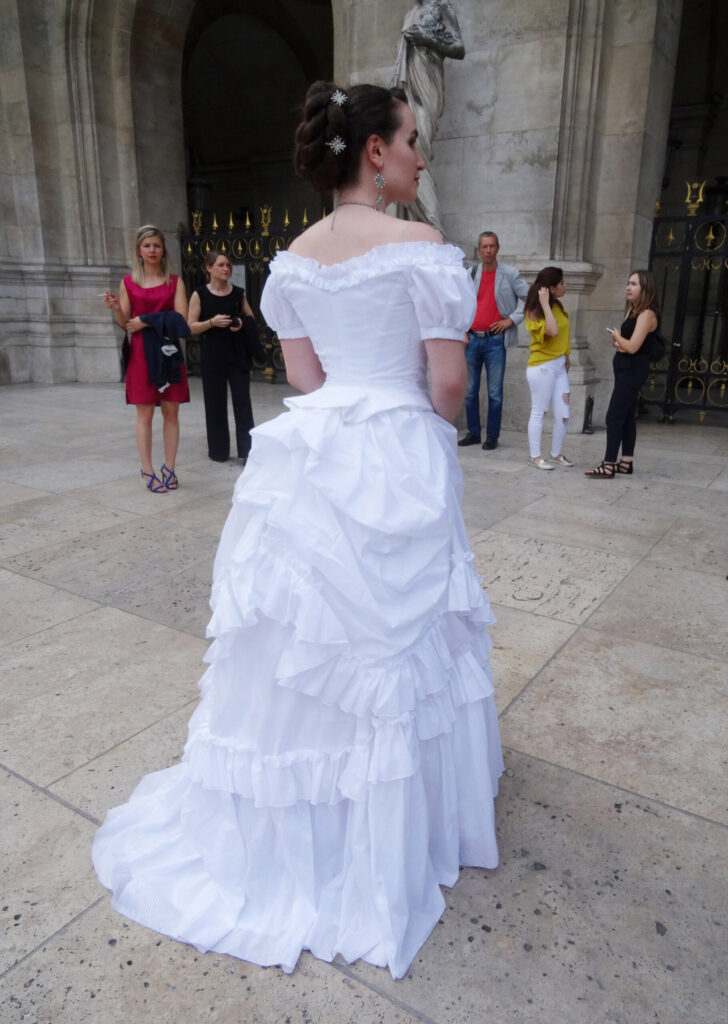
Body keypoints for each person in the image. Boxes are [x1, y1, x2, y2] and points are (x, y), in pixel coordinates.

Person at [93, 80, 503, 981]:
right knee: (392, 642)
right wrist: (426, 439)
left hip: (319, 444)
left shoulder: (295, 261)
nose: (421, 156)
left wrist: (354, 418)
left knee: (305, 638)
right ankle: (386, 826)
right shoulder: (422, 247)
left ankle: (296, 828)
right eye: (411, 140)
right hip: (396, 436)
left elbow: (309, 379)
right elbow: (444, 386)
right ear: (376, 152)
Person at [104, 225, 189, 492]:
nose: (152, 250)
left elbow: (181, 321)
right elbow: (125, 324)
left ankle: (170, 468)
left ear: (163, 251)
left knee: (171, 411)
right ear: (139, 251)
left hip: (168, 352)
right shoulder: (128, 282)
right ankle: (148, 470)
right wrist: (118, 309)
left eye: (156, 245)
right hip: (141, 354)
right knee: (144, 415)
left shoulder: (174, 281)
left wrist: (146, 320)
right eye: (147, 245)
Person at [391, 0, 465, 235]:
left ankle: (435, 230)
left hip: (428, 84)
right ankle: (411, 226)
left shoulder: (442, 6)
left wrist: (427, 39)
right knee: (410, 152)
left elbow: (459, 47)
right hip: (409, 89)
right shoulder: (410, 12)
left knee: (417, 154)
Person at [585, 270, 661, 478]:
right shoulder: (633, 311)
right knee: (626, 415)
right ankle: (626, 462)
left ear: (645, 288)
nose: (628, 287)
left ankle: (608, 464)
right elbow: (626, 344)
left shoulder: (647, 314)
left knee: (614, 415)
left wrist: (619, 338)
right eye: (628, 283)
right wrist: (619, 341)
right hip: (624, 368)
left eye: (634, 284)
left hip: (633, 370)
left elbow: (634, 347)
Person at [188, 250, 261, 463]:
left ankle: (247, 452)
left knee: (243, 404)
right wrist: (212, 322)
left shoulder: (238, 293)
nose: (226, 269)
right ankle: (218, 451)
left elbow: (250, 319)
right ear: (209, 268)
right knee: (215, 404)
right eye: (220, 265)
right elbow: (190, 326)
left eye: (228, 265)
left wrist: (239, 323)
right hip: (213, 356)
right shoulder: (199, 294)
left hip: (237, 354)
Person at [458, 232, 528, 450]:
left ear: (498, 249)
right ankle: (474, 432)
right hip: (473, 340)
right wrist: (462, 330)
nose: (488, 250)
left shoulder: (509, 273)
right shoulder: (471, 273)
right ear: (479, 250)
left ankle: (492, 436)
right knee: (470, 391)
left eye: (492, 246)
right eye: (484, 247)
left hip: (495, 341)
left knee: (494, 393)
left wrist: (511, 321)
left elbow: (529, 297)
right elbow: (460, 302)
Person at [523, 266, 573, 470]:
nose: (565, 286)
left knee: (564, 413)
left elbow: (564, 333)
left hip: (559, 365)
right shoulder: (534, 311)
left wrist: (566, 356)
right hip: (542, 367)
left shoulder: (559, 306)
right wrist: (544, 303)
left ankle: (556, 453)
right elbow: (552, 331)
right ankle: (535, 456)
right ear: (551, 288)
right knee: (539, 411)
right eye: (561, 283)